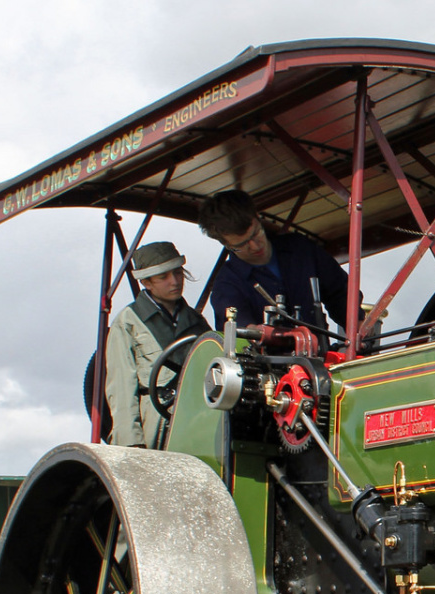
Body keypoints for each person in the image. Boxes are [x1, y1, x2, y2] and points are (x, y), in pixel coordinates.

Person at [199, 189, 354, 335]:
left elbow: (339, 293)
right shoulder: (225, 287)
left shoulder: (301, 249)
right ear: (227, 245)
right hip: (268, 363)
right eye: (242, 245)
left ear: (258, 217)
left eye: (256, 233)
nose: (255, 246)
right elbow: (239, 328)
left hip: (321, 358)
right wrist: (255, 332)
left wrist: (357, 324)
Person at [105, 241, 211, 448]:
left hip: (196, 421)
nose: (175, 281)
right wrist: (131, 444)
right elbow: (121, 387)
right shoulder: (128, 321)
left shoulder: (197, 322)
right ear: (146, 282)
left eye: (178, 273)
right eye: (163, 277)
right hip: (153, 423)